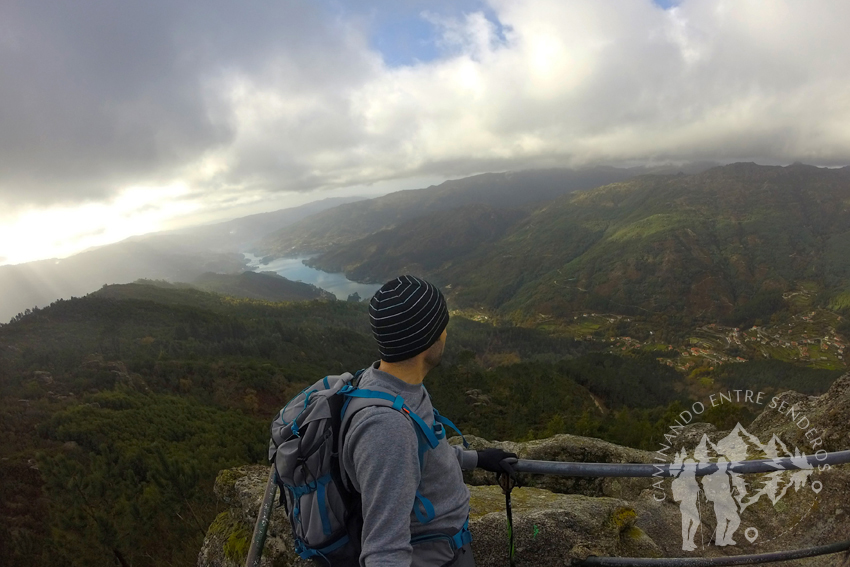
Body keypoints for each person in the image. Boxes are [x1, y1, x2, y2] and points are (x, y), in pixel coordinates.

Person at [340, 275, 517, 567]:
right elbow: (384, 550)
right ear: (427, 339)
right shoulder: (387, 427)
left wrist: (477, 458)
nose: (446, 333)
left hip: (448, 546)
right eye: (442, 326)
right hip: (435, 557)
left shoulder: (392, 383)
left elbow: (423, 452)